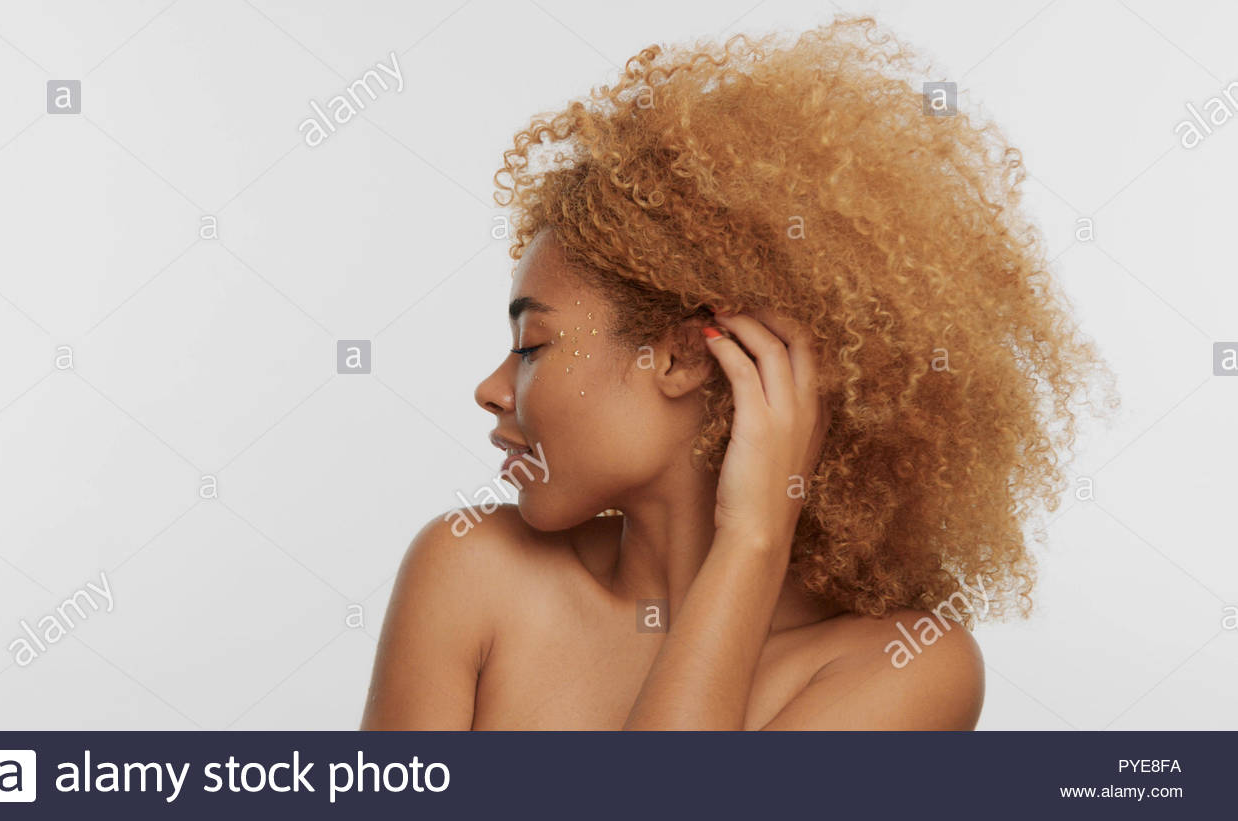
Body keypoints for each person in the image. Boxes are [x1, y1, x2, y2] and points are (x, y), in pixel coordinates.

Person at [360, 15, 1115, 730]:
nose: (492, 389)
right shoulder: (468, 572)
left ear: (685, 356)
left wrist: (755, 537)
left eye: (532, 346)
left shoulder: (904, 668)